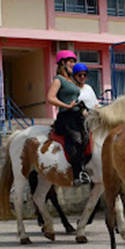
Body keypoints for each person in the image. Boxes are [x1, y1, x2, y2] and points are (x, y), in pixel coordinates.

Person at [47, 50, 90, 186]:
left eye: (73, 61)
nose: (73, 64)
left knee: (88, 138)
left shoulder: (71, 80)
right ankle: (77, 175)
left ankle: (88, 169)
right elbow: (50, 98)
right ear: (62, 63)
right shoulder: (58, 79)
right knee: (76, 139)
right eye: (70, 61)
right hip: (66, 116)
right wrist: (67, 105)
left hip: (77, 115)